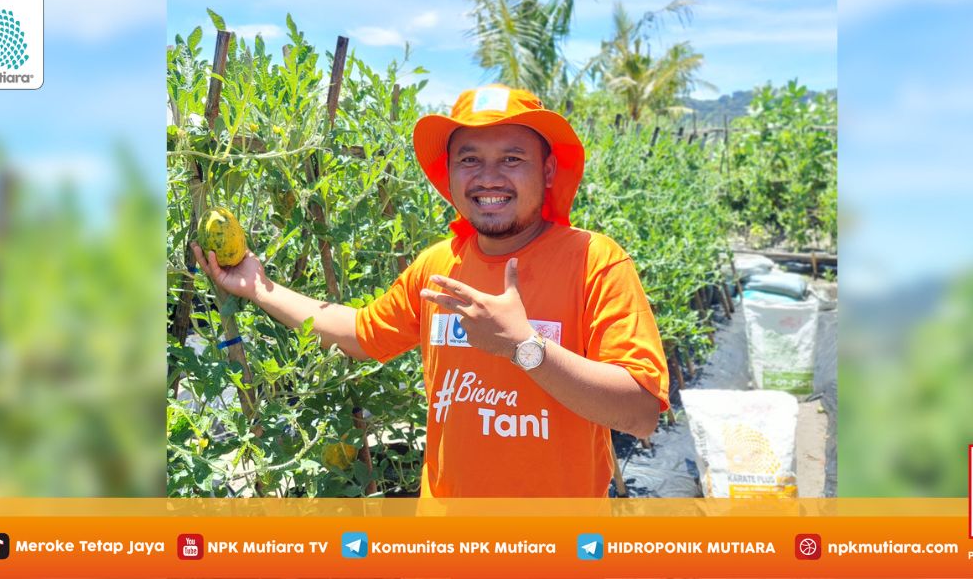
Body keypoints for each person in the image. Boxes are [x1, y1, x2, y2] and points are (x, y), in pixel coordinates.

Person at [193, 84, 669, 497]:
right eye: (470, 160)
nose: (488, 177)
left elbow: (641, 411)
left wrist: (525, 348)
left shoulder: (594, 261)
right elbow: (360, 333)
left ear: (547, 172)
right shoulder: (439, 265)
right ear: (450, 174)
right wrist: (259, 286)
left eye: (512, 158)